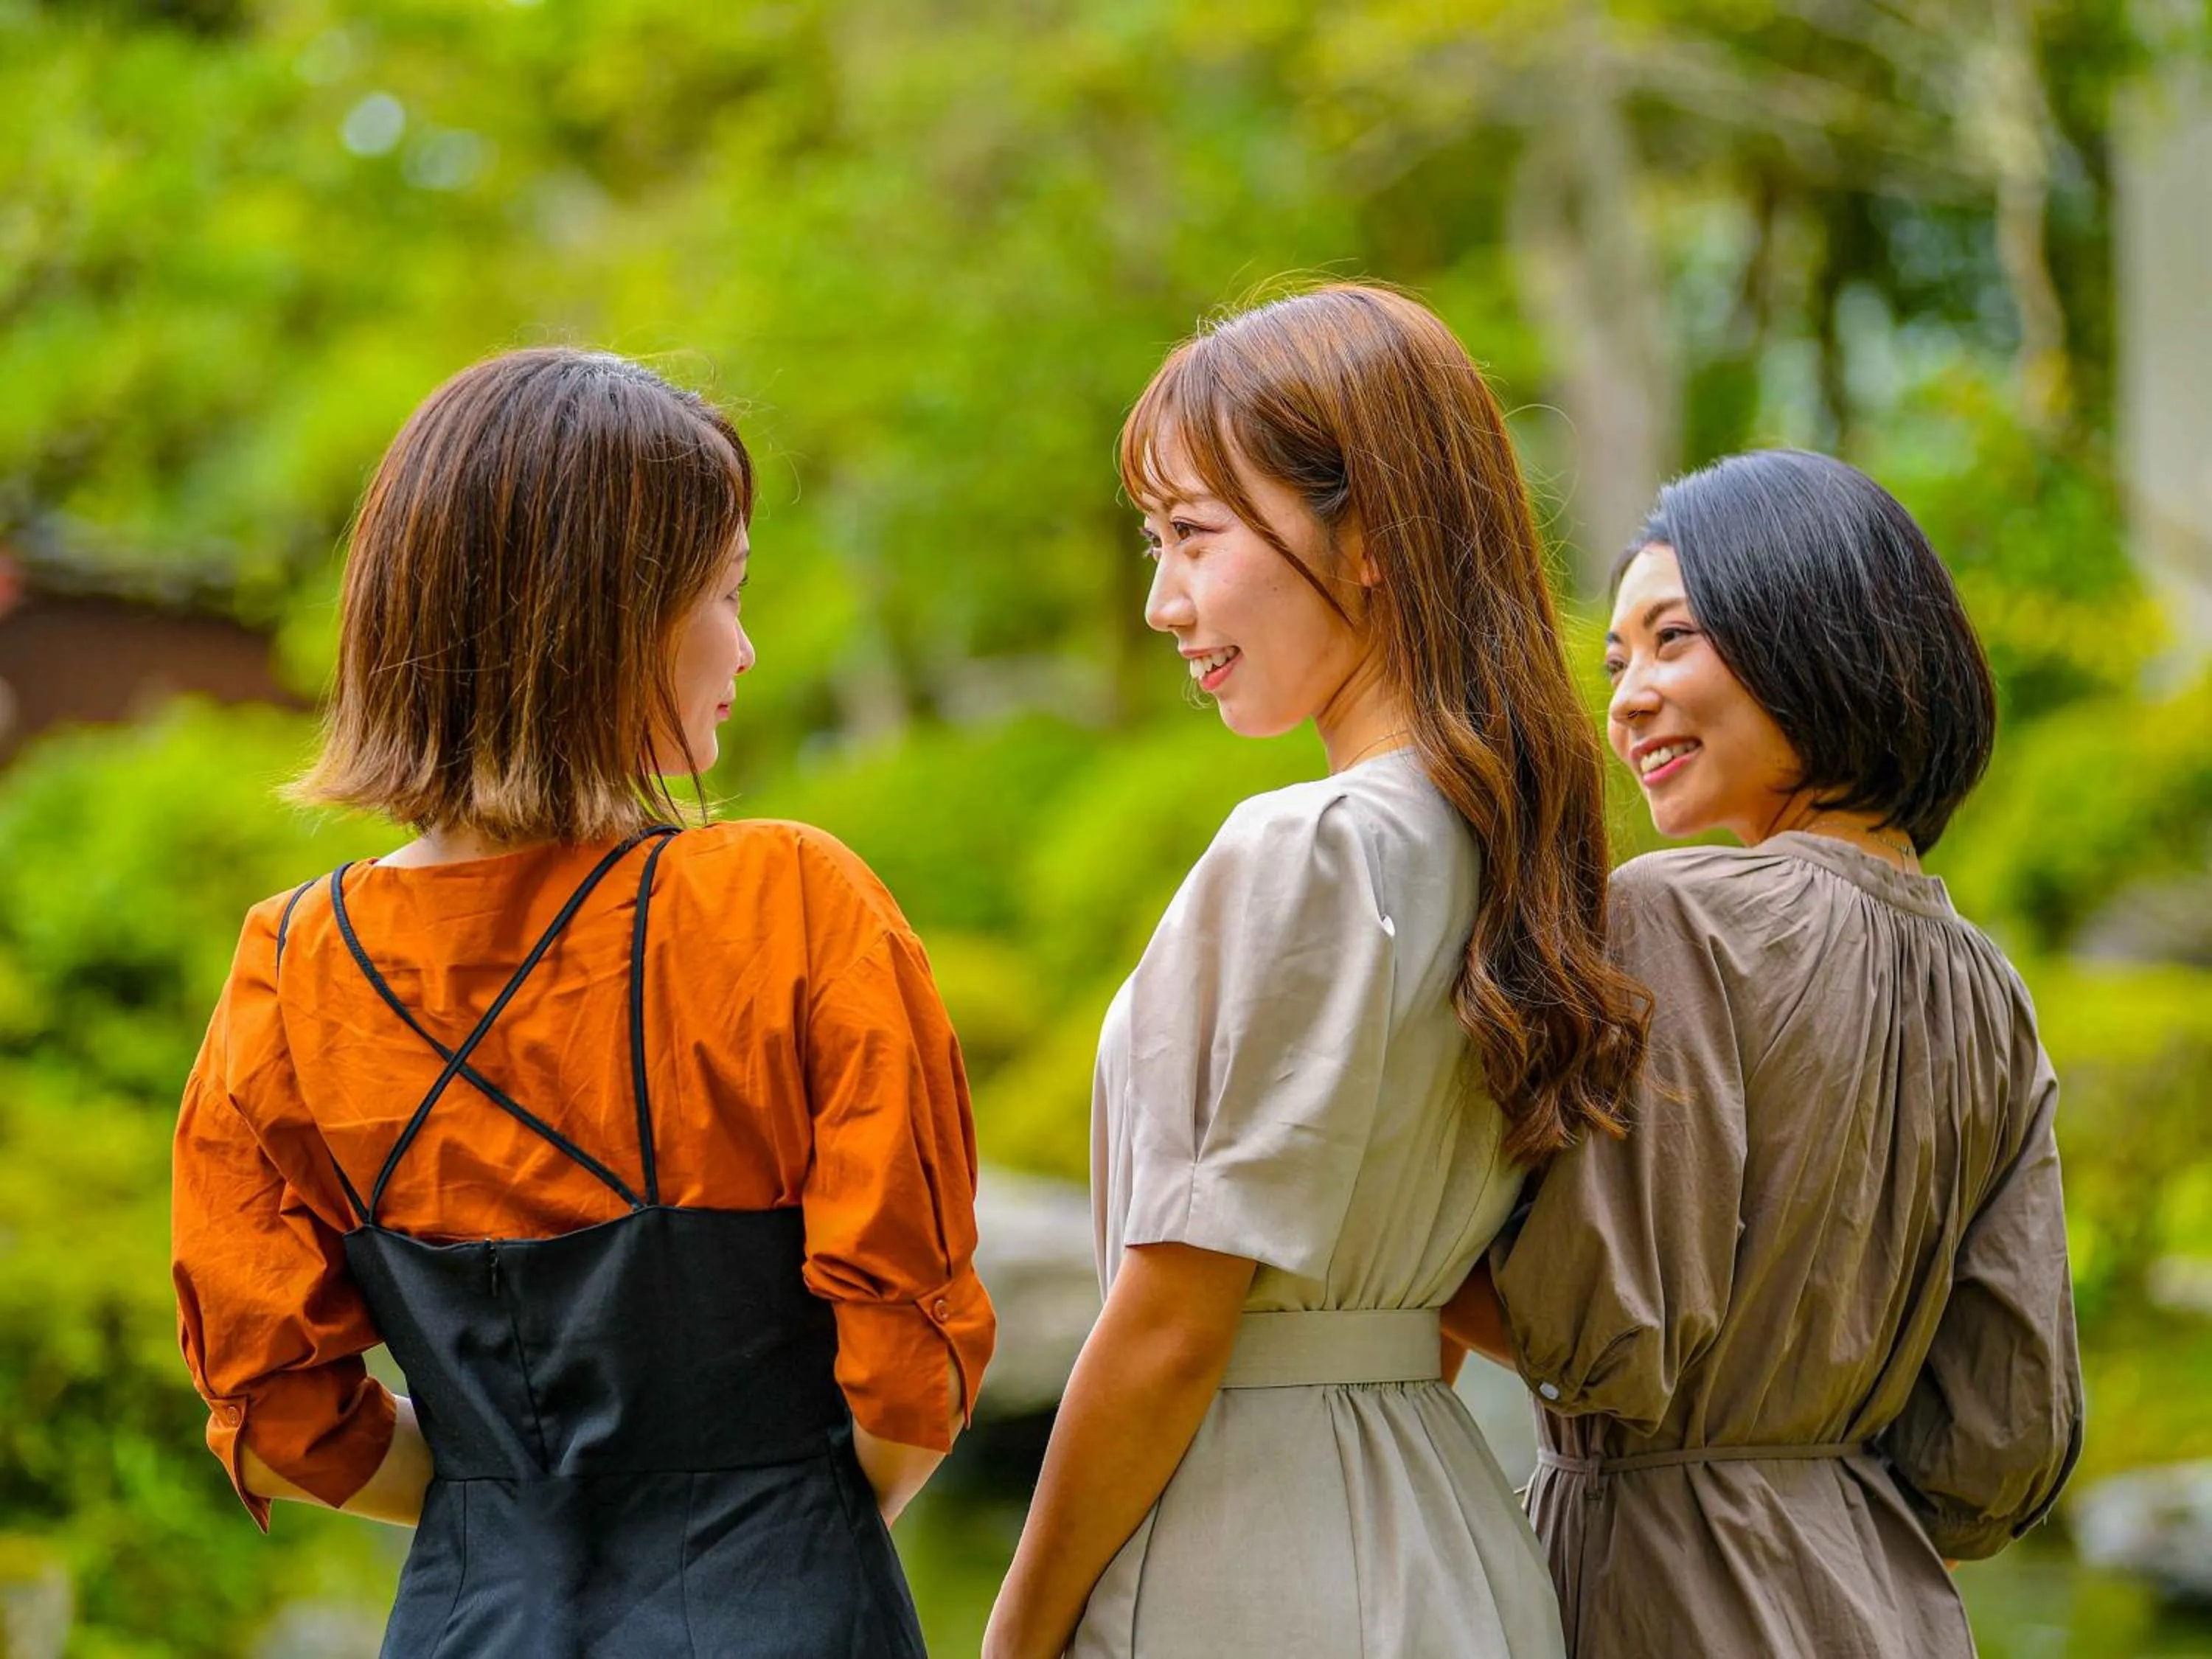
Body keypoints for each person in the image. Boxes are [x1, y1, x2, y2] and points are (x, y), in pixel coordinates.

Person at [170, 348, 994, 1657]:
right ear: (609, 621)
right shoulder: (792, 904)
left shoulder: (294, 968)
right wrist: (781, 1524)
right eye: (725, 593)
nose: (749, 643)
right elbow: (910, 1367)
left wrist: (504, 1507)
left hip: (473, 1619)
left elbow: (279, 1413)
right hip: (787, 1603)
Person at [982, 283, 1649, 1659]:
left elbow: (1173, 1319)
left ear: (1370, 541)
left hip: (1254, 1548)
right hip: (1451, 1536)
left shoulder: (1316, 846)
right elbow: (1444, 1289)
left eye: (1192, 536)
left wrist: (1017, 1631)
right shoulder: (1497, 843)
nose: (1165, 601)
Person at [1456, 448, 2084, 1656]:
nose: (1628, 695)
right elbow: (2000, 1439)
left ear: (1814, 630)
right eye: (1617, 660)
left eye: (1674, 636)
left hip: (1664, 1591)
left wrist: (1358, 1259)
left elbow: (1596, 1338)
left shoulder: (1672, 912)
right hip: (1887, 1599)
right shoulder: (1990, 989)